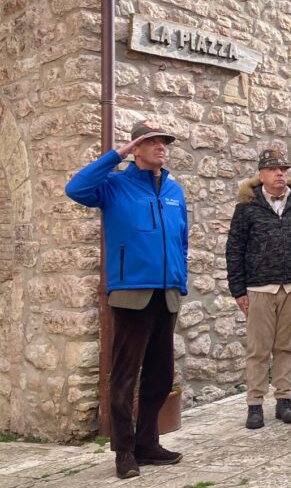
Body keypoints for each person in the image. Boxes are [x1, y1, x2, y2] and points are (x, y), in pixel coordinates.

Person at [66, 120, 187, 479]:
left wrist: (180, 280)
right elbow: (75, 188)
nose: (161, 146)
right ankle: (124, 451)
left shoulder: (174, 189)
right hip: (131, 292)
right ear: (136, 148)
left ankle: (148, 443)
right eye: (151, 142)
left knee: (160, 376)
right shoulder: (114, 185)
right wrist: (115, 155)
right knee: (123, 377)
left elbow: (181, 238)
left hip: (166, 292)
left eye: (164, 141)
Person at [226, 148, 291, 430]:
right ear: (261, 174)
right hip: (259, 288)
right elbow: (235, 249)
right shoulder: (246, 208)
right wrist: (238, 290)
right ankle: (254, 404)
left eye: (284, 169)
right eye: (274, 169)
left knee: (285, 347)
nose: (280, 174)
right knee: (258, 349)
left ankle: (284, 399)